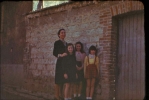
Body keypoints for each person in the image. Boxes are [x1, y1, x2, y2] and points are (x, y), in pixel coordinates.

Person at [53, 29, 67, 100]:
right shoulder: (57, 42)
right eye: (62, 33)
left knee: (63, 79)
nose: (63, 34)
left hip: (65, 63)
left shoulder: (66, 43)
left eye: (64, 33)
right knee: (58, 79)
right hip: (59, 62)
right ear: (59, 34)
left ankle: (61, 95)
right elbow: (54, 53)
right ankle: (56, 95)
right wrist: (61, 55)